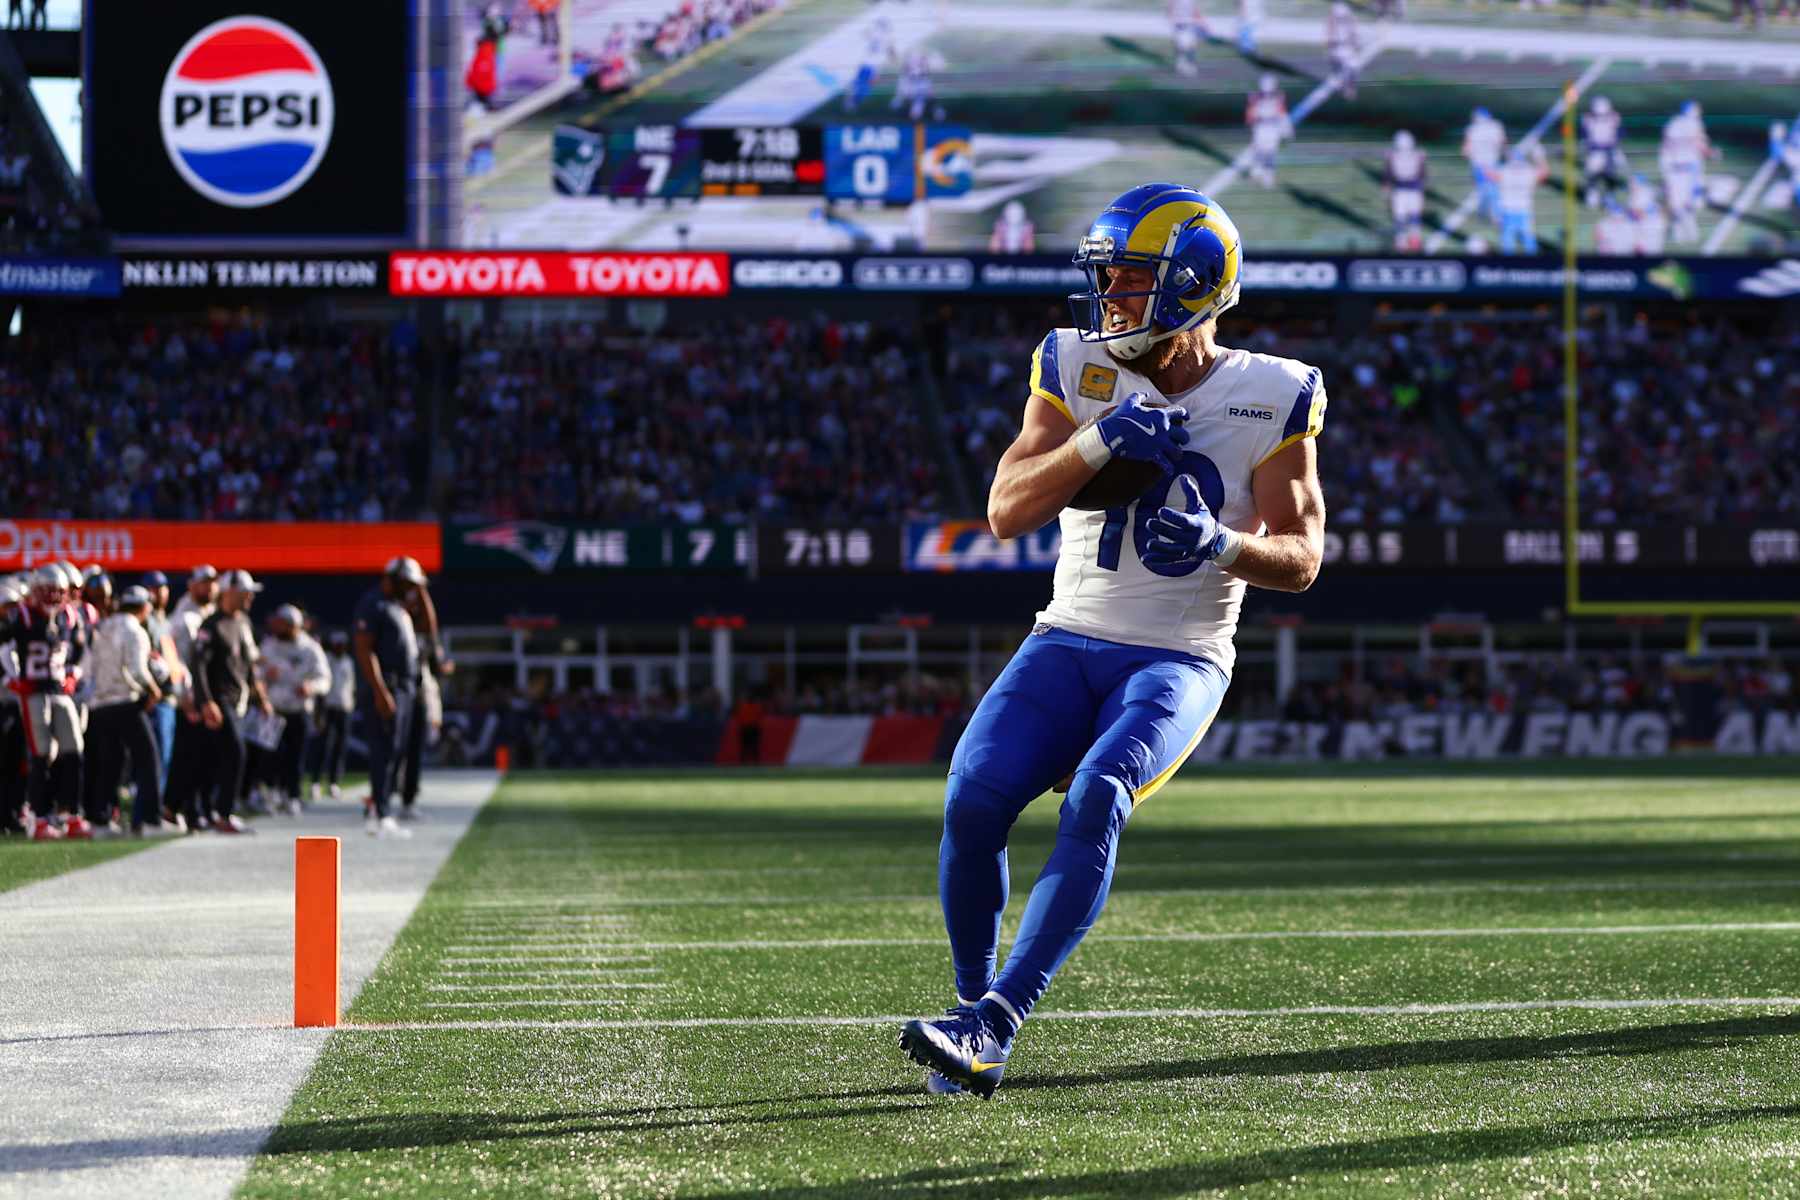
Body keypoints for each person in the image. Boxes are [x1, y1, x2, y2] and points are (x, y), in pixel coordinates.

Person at [899, 184, 1326, 1098]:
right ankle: (976, 1020)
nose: (1112, 302)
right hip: (1066, 636)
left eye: (1132, 282)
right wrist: (1098, 446)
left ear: (1195, 286)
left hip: (1180, 655)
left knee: (1098, 794)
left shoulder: (1275, 393)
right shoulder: (1074, 363)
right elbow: (1007, 510)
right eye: (1109, 280)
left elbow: (1301, 558)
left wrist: (1224, 545)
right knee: (973, 802)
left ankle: (1000, 1016)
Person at [1, 565, 87, 840]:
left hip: (59, 691)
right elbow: (4, 650)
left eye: (58, 592)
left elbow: (81, 654)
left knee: (74, 749)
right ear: (35, 591)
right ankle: (39, 818)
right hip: (34, 692)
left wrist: (73, 674)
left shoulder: (70, 616)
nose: (52, 597)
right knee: (41, 754)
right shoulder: (22, 615)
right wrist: (12, 679)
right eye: (47, 591)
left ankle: (71, 814)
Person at [189, 570, 272, 835]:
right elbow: (198, 665)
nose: (250, 597)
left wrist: (261, 695)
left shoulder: (244, 622)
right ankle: (223, 813)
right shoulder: (211, 625)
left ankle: (206, 812)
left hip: (240, 701)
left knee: (213, 759)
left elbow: (249, 665)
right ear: (230, 592)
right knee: (235, 752)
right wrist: (206, 701)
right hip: (219, 699)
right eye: (245, 592)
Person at [82, 586, 165, 837]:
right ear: (144, 607)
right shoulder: (134, 630)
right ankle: (150, 821)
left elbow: (88, 669)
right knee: (149, 759)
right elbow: (138, 669)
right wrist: (154, 690)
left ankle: (101, 820)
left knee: (110, 764)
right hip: (125, 703)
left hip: (99, 705)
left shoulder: (102, 626)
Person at [354, 557, 425, 839]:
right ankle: (380, 813)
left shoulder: (398, 606)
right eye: (407, 583)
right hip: (388, 686)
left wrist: (421, 590)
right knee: (383, 750)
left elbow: (428, 625)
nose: (410, 590)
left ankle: (382, 809)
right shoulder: (374, 604)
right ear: (391, 579)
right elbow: (364, 650)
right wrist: (381, 690)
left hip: (405, 687)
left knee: (395, 750)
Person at [259, 604, 329, 816]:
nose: (279, 627)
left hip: (298, 710)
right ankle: (271, 793)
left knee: (296, 756)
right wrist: (263, 678)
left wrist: (311, 687)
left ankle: (293, 795)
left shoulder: (310, 648)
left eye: (284, 624)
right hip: (274, 709)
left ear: (294, 626)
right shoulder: (269, 646)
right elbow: (256, 673)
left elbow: (325, 679)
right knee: (271, 754)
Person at [164, 565, 218, 830]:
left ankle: (194, 809)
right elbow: (174, 659)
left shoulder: (210, 613)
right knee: (189, 756)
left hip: (205, 695)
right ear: (191, 585)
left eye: (212, 583)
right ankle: (185, 810)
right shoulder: (182, 618)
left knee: (204, 757)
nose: (209, 588)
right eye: (204, 583)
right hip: (189, 698)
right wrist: (183, 695)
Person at [140, 571, 182, 794]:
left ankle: (156, 808)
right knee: (155, 758)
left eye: (161, 588)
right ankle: (149, 813)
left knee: (164, 758)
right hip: (156, 697)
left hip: (170, 695)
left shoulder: (164, 620)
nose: (158, 593)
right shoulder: (145, 620)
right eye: (153, 588)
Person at [309, 631, 356, 802]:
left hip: (344, 708)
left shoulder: (348, 661)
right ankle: (315, 782)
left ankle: (334, 782)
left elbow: (351, 686)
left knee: (340, 747)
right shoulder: (326, 659)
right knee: (323, 746)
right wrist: (318, 711)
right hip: (327, 708)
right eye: (338, 644)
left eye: (343, 645)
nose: (341, 648)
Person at [1497, 146, 1548, 254]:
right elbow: (1544, 173)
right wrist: (1540, 157)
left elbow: (1488, 174)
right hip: (1524, 210)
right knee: (1529, 242)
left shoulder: (1504, 171)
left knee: (1507, 242)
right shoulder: (1528, 172)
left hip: (1508, 210)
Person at [1244, 74, 1291, 189]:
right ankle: (1257, 172)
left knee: (1270, 152)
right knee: (1259, 151)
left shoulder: (1277, 97)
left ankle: (1268, 175)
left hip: (1272, 127)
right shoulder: (1255, 97)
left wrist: (1286, 128)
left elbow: (1281, 113)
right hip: (1261, 126)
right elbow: (1250, 114)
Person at [1462, 108, 1507, 226]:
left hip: (1479, 165)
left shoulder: (1471, 129)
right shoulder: (1496, 126)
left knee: (1484, 189)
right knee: (1494, 189)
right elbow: (1502, 142)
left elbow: (1465, 150)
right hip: (1492, 163)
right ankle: (1495, 215)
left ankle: (1484, 213)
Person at [1384, 129, 1427, 252]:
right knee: (1412, 216)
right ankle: (1411, 240)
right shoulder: (1418, 155)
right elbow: (1423, 174)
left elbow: (1388, 174)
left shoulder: (1392, 156)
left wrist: (1386, 186)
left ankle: (1403, 241)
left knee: (1402, 217)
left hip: (1401, 190)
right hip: (1412, 190)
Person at [1583, 96, 1627, 210]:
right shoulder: (1587, 118)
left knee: (1611, 175)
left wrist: (1615, 143)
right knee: (1592, 174)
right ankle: (1592, 194)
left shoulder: (1614, 117)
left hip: (1610, 149)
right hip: (1595, 150)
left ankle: (1609, 197)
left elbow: (1621, 133)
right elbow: (1585, 136)